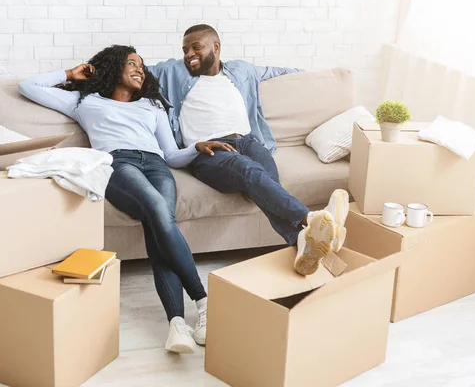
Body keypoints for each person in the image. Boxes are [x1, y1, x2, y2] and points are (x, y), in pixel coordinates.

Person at [18, 45, 233, 354]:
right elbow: (27, 86)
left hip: (156, 165)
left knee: (159, 227)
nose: (139, 69)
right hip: (119, 164)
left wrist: (196, 147)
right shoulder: (85, 101)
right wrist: (70, 74)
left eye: (142, 66)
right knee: (159, 209)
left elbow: (171, 155)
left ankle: (177, 326)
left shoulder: (151, 106)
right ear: (112, 68)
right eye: (131, 63)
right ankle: (204, 301)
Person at [147, 25, 350, 276]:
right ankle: (311, 219)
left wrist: (316, 76)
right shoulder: (173, 71)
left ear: (216, 47)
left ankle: (301, 241)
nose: (189, 54)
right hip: (208, 151)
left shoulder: (241, 71)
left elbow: (277, 71)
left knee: (266, 180)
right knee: (249, 171)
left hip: (249, 141)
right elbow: (134, 69)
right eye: (185, 49)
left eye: (196, 47)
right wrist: (88, 74)